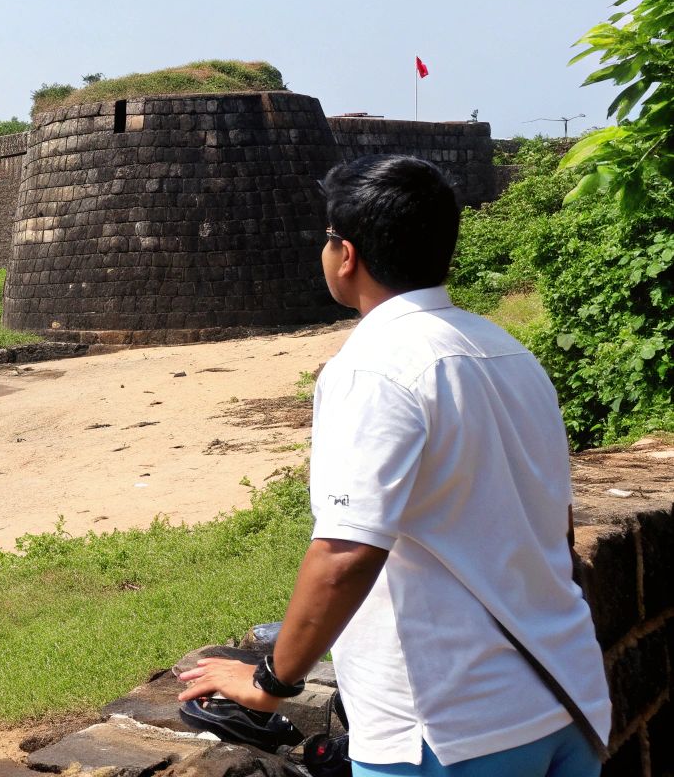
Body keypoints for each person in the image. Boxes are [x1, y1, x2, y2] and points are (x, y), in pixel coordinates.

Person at [176, 155, 612, 776]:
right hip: (562, 694)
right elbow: (556, 525)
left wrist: (270, 683)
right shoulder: (509, 351)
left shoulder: (373, 365)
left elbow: (346, 553)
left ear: (346, 254)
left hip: (451, 727)